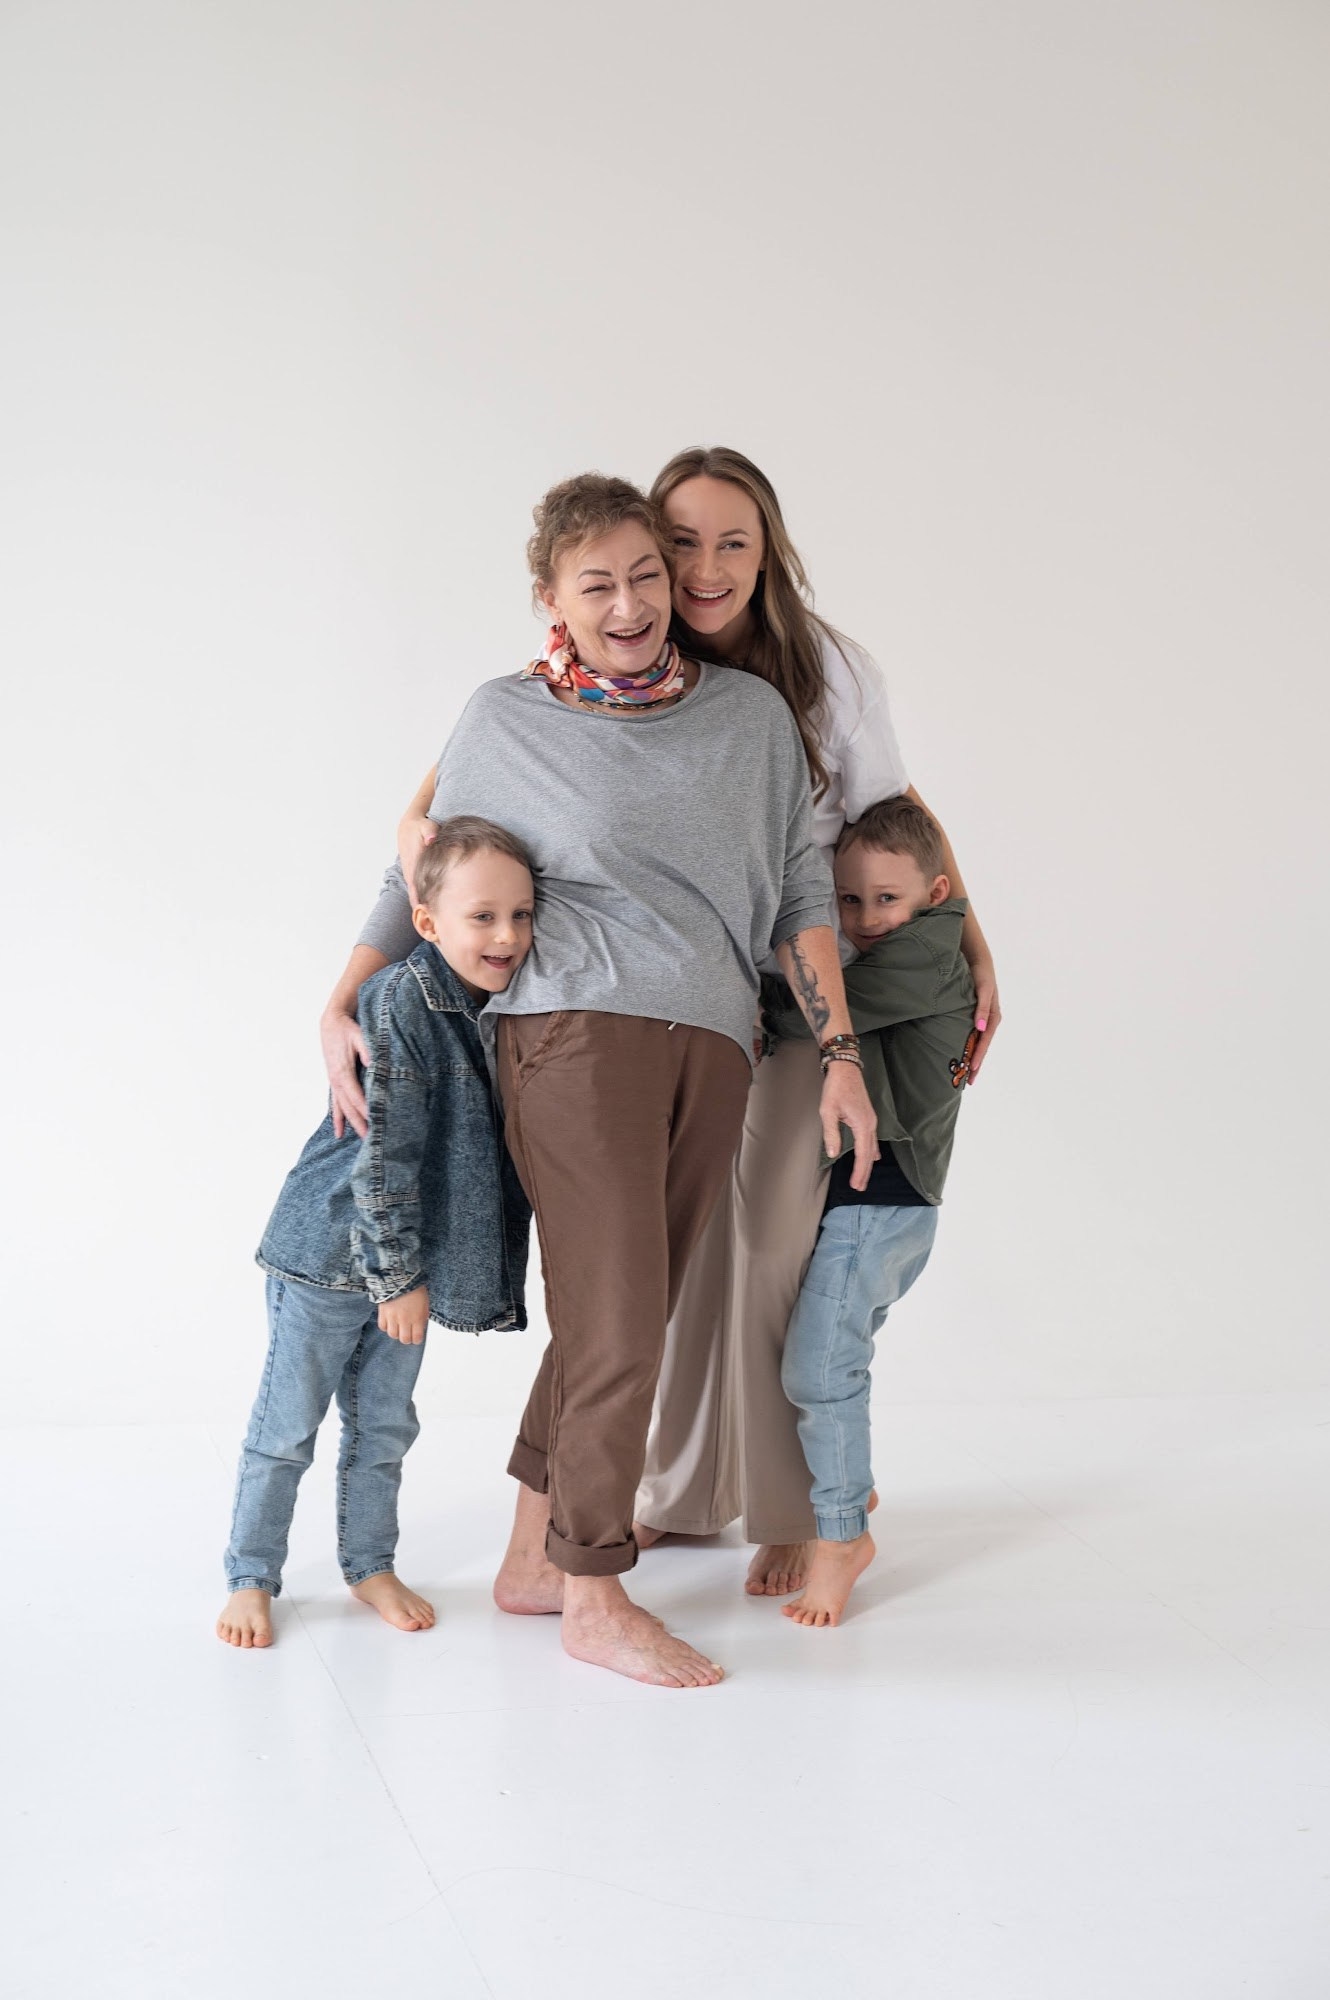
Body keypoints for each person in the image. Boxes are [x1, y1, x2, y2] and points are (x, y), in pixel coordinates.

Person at [317, 472, 880, 1688]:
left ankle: (533, 1557)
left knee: (621, 1312)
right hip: (571, 1037)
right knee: (620, 1317)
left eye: (644, 576)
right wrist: (343, 992)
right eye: (596, 585)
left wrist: (840, 1055)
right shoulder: (505, 716)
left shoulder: (748, 717)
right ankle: (592, 1592)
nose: (629, 604)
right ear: (550, 598)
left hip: (715, 1044)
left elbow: (797, 889)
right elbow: (423, 865)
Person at [624, 446, 1002, 1596]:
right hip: (684, 984)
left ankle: (795, 1503)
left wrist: (973, 937)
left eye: (733, 541)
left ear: (768, 551)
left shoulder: (828, 668)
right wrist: (414, 822)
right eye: (681, 541)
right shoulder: (635, 649)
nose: (705, 566)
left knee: (770, 1240)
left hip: (802, 993)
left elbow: (894, 808)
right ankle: (683, 1490)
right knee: (685, 1244)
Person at [217, 818, 535, 1649]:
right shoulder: (401, 998)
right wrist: (397, 1278)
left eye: (521, 915)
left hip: (403, 1261)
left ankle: (369, 1565)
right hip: (331, 1255)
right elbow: (385, 1157)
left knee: (385, 1426)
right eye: (483, 917)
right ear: (426, 921)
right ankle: (251, 1576)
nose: (506, 936)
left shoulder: (495, 1003)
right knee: (288, 1429)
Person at [763, 795, 977, 1627]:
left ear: (936, 892)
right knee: (832, 1362)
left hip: (882, 1200)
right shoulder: (908, 943)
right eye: (848, 901)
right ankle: (849, 1486)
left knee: (819, 1373)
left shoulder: (924, 958)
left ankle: (842, 1535)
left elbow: (808, 1013)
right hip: (875, 1201)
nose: (865, 918)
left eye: (886, 898)